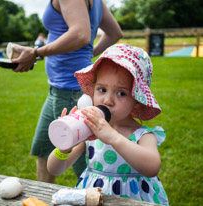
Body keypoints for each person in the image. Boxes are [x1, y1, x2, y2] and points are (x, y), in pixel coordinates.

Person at [11, 0, 123, 183]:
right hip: (58, 90)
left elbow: (80, 34)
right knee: (45, 151)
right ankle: (41, 201)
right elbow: (115, 33)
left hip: (72, 92)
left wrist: (36, 52)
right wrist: (87, 54)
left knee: (86, 167)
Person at [47, 44, 169, 205]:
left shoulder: (142, 135)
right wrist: (64, 146)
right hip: (94, 198)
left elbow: (152, 167)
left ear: (137, 102)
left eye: (121, 93)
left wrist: (113, 137)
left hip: (134, 200)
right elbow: (55, 169)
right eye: (102, 90)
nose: (107, 100)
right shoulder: (89, 131)